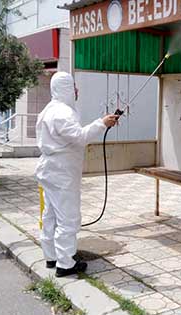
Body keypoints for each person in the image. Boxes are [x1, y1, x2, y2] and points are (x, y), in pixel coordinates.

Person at [35, 72, 118, 277]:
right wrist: (102, 123)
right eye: (74, 87)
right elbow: (79, 137)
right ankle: (66, 264)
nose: (77, 91)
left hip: (50, 170)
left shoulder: (48, 110)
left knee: (51, 215)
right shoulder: (63, 112)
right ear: (66, 88)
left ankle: (51, 256)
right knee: (68, 218)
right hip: (61, 173)